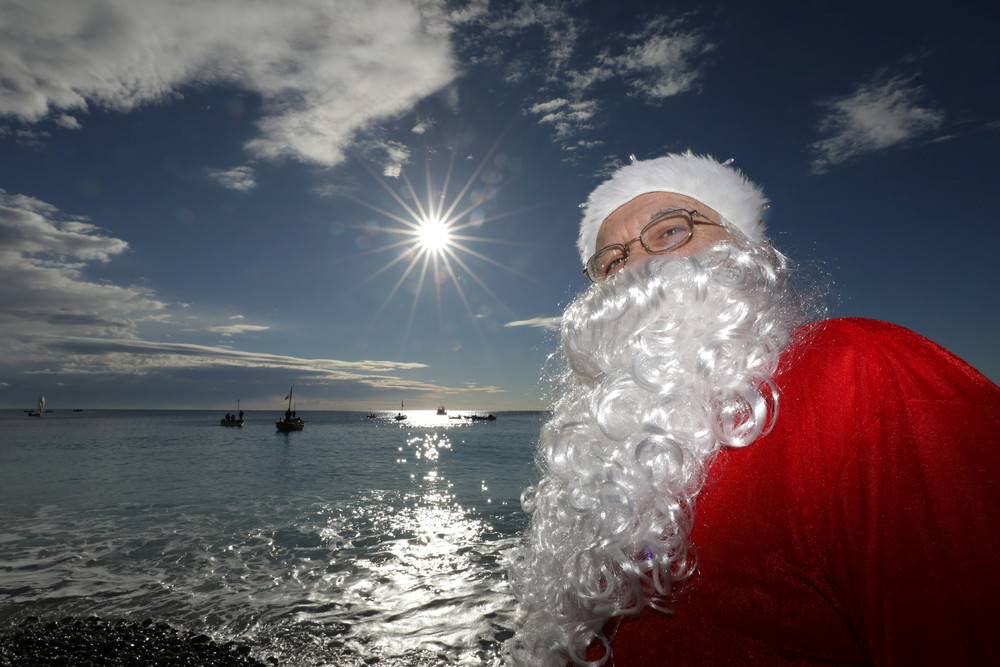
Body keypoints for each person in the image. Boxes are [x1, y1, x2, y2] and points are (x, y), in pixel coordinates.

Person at [506, 152, 1000, 666]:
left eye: (670, 231)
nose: (636, 267)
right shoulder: (609, 460)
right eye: (610, 261)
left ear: (745, 248)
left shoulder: (863, 372)